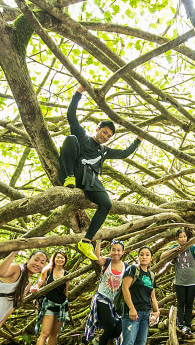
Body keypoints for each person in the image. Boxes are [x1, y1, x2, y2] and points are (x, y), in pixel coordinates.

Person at [58, 84, 142, 261]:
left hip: (90, 180)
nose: (105, 137)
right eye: (104, 132)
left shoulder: (104, 151)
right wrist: (78, 94)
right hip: (74, 172)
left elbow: (125, 153)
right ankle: (69, 178)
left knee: (106, 204)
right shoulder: (83, 136)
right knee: (70, 139)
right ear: (97, 129)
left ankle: (86, 241)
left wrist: (138, 139)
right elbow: (71, 116)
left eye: (109, 136)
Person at [113, 246, 160, 345]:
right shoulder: (132, 269)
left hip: (146, 314)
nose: (144, 257)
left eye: (147, 254)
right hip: (132, 314)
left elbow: (152, 296)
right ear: (138, 256)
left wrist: (157, 311)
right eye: (141, 254)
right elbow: (125, 289)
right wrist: (132, 309)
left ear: (151, 258)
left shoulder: (151, 275)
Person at [84, 239, 127, 345]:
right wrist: (98, 241)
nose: (116, 252)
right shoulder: (107, 262)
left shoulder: (127, 266)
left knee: (117, 330)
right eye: (113, 250)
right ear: (110, 251)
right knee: (108, 327)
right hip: (102, 298)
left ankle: (98, 340)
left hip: (116, 303)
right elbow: (97, 258)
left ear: (123, 252)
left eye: (118, 250)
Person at [160, 228, 195, 334]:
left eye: (184, 236)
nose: (183, 239)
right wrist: (173, 251)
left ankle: (188, 325)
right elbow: (162, 257)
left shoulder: (192, 247)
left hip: (193, 281)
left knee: (189, 304)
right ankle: (180, 325)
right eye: (180, 237)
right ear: (177, 239)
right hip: (180, 282)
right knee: (180, 304)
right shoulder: (176, 247)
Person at [32, 251, 69, 345]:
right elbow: (40, 285)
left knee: (54, 334)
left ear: (65, 260)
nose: (60, 260)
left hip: (61, 306)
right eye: (58, 257)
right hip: (48, 305)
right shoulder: (47, 271)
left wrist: (67, 306)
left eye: (62, 258)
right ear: (54, 259)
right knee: (45, 333)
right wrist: (35, 293)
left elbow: (66, 292)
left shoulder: (67, 274)